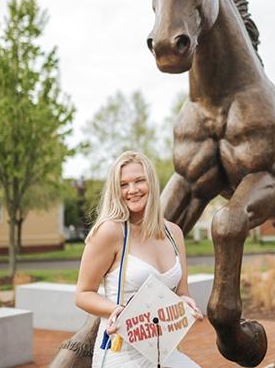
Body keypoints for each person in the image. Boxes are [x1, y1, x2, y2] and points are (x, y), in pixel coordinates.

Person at [76, 151, 203, 368]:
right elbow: (83, 294)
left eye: (139, 181)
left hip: (161, 350)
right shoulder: (110, 232)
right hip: (120, 352)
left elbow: (182, 293)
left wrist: (186, 304)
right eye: (123, 184)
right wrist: (115, 310)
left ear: (151, 183)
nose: (132, 190)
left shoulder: (174, 233)